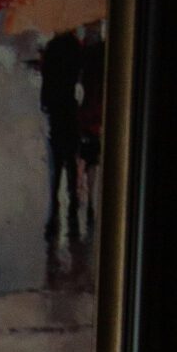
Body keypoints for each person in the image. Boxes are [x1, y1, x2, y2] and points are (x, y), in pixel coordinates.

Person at [38, 26, 86, 244]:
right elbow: (79, 75)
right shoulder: (76, 47)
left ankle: (54, 199)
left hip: (55, 107)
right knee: (71, 154)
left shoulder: (52, 48)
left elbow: (46, 78)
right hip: (70, 105)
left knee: (55, 155)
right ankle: (73, 198)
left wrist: (45, 103)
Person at [76, 20, 106, 233]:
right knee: (93, 155)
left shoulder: (82, 51)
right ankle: (91, 195)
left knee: (82, 151)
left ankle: (80, 187)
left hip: (84, 109)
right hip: (96, 110)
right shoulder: (105, 51)